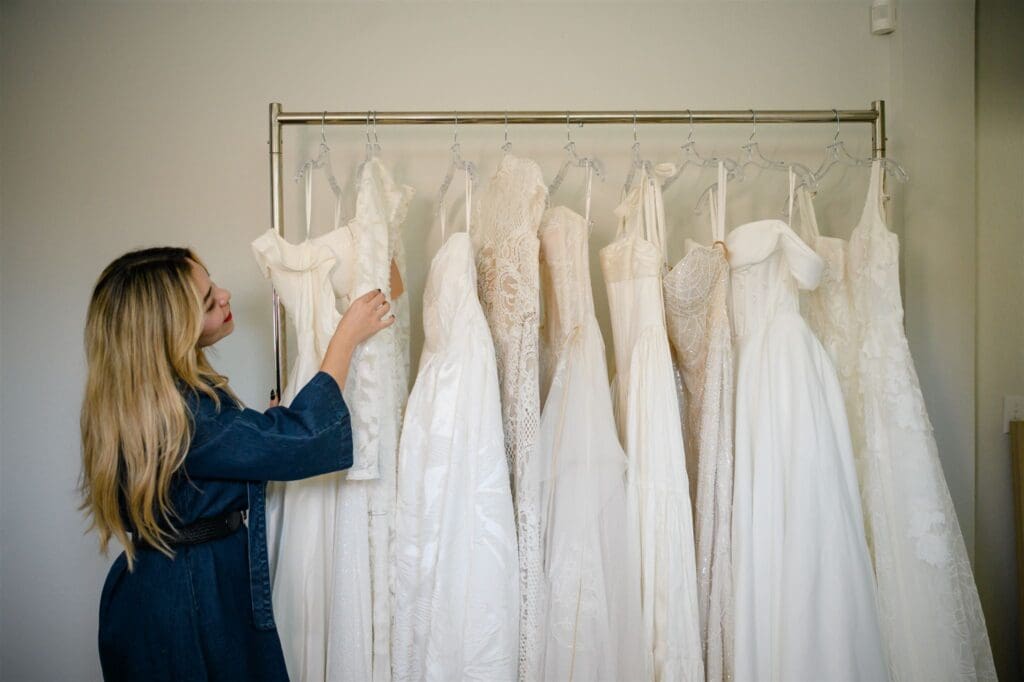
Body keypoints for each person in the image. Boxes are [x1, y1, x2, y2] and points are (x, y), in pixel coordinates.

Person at [78, 246, 393, 681]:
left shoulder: (142, 403)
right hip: (192, 598)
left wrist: (257, 434)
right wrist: (344, 339)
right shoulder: (188, 415)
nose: (225, 296)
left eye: (213, 285)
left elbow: (205, 464)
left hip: (161, 588)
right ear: (170, 331)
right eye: (208, 301)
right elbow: (305, 440)